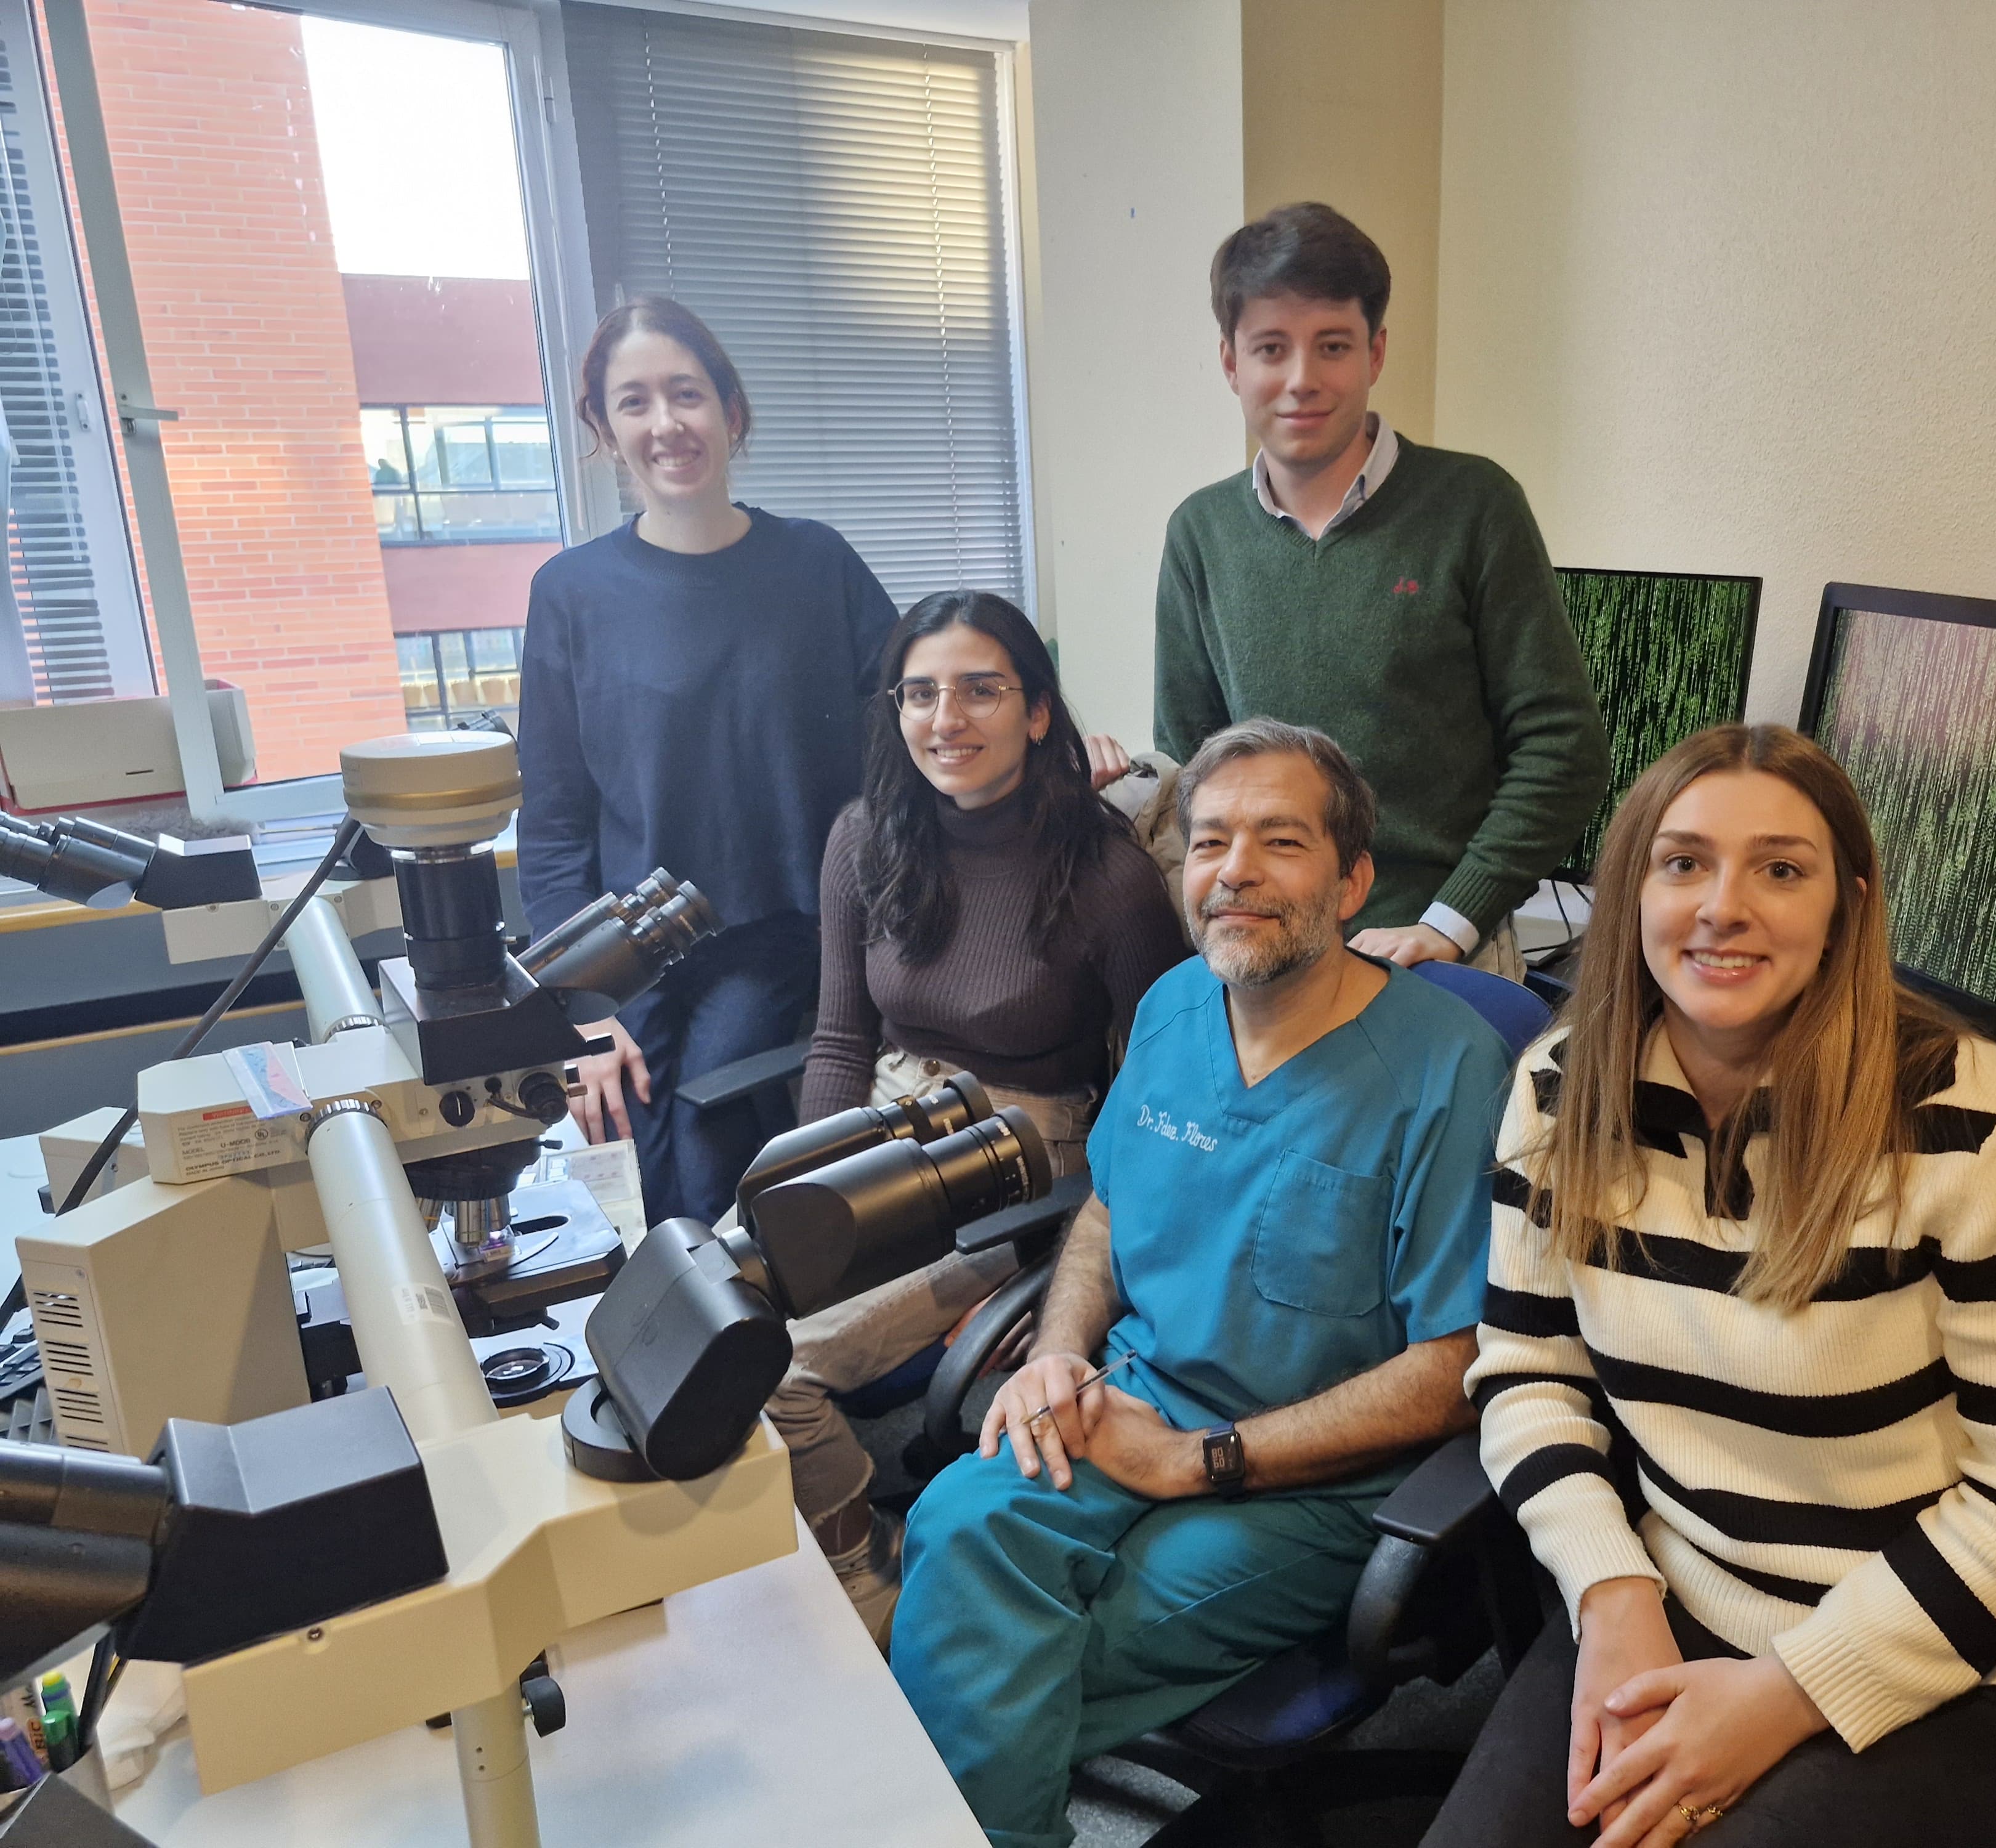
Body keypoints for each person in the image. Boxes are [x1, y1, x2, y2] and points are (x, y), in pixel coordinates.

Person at [1430, 724, 1996, 1848]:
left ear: (1847, 904)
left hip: (1966, 1660)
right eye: (1684, 862)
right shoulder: (1565, 1091)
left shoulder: (1977, 1128)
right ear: (1633, 889)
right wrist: (1613, 1592)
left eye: (1781, 869)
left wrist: (1790, 1692)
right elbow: (1527, 1372)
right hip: (1679, 1602)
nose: (1723, 906)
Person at [888, 719, 1514, 1848]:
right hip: (1128, 1400)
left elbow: (1456, 1368)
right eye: (1211, 840)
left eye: (1280, 842)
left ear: (1354, 876)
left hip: (1317, 1485)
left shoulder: (1447, 1070)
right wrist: (1057, 1354)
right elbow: (1108, 1216)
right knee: (954, 1525)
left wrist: (1202, 1461)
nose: (1236, 871)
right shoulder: (1177, 1006)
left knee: (1000, 1645)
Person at [769, 588, 1186, 1643]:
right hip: (881, 1122)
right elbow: (837, 1042)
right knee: (703, 1319)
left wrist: (1056, 1256)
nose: (944, 719)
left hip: (1020, 1159)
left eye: (979, 691)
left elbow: (1163, 1095)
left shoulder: (1110, 876)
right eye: (919, 693)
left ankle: (873, 1574)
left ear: (1038, 713)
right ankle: (805, 1545)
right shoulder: (867, 836)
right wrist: (790, 1190)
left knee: (773, 1373)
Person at [517, 296, 898, 1226]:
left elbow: (923, 703)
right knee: (629, 1167)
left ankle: (754, 1367)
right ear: (604, 430)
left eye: (686, 394)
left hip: (784, 930)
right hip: (628, 954)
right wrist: (585, 1014)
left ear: (730, 410)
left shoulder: (816, 564)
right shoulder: (569, 593)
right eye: (635, 402)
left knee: (703, 1158)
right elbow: (556, 820)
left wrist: (1060, 730)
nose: (666, 424)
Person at [1153, 201, 1610, 976]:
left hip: (1438, 951)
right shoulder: (1200, 532)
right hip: (1266, 951)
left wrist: (1454, 918)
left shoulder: (1474, 505)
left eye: (1332, 346)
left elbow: (1563, 749)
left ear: (1376, 351)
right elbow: (1192, 770)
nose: (1301, 380)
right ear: (1231, 361)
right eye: (1271, 348)